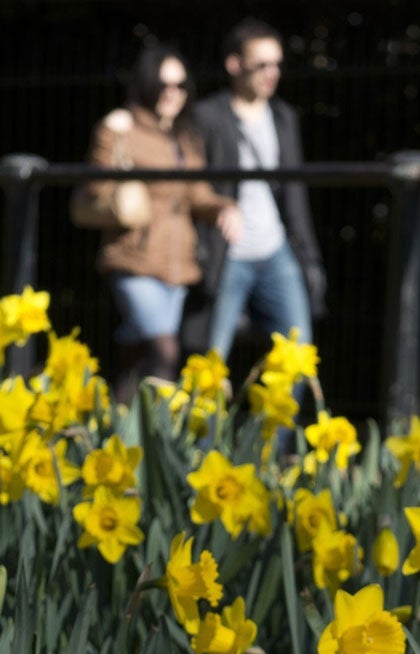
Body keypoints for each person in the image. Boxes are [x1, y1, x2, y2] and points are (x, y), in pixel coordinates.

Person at [78, 45, 243, 404]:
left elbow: (199, 194)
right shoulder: (122, 126)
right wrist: (114, 135)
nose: (173, 93)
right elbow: (95, 186)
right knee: (165, 352)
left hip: (178, 264)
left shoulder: (186, 137)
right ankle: (157, 441)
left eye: (180, 85)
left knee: (139, 353)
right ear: (146, 85)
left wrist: (224, 208)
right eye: (164, 84)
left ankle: (113, 431)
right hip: (133, 258)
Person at [190, 18, 326, 365]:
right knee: (211, 362)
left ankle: (278, 422)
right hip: (229, 253)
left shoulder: (284, 117)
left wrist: (307, 256)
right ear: (234, 64)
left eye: (277, 64)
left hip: (276, 250)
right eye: (262, 64)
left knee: (297, 356)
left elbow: (295, 196)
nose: (272, 73)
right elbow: (191, 185)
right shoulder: (207, 116)